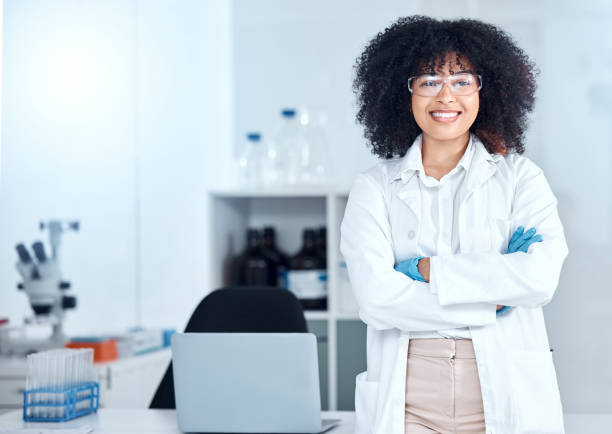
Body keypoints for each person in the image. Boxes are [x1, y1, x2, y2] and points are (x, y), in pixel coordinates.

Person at [340, 16, 569, 434]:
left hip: (503, 393)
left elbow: (538, 280)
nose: (446, 96)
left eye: (462, 81)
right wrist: (492, 298)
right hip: (407, 402)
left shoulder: (521, 178)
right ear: (403, 91)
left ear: (485, 90)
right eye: (428, 81)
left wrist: (428, 271)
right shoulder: (374, 187)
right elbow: (376, 301)